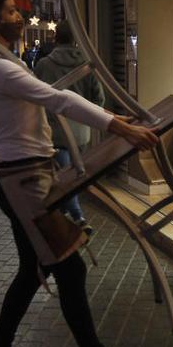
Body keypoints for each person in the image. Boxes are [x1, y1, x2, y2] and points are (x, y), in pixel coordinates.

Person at [0, 0, 158, 347]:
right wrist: (121, 127)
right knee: (69, 268)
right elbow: (58, 99)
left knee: (31, 270)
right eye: (10, 11)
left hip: (23, 176)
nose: (19, 16)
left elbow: (56, 99)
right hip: (24, 181)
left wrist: (115, 115)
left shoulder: (1, 59)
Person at [34, 21, 103, 234]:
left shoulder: (44, 65)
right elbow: (99, 98)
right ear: (76, 39)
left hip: (56, 131)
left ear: (56, 38)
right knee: (72, 178)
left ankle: (76, 217)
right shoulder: (86, 64)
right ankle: (70, 218)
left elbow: (35, 99)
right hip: (82, 132)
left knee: (64, 179)